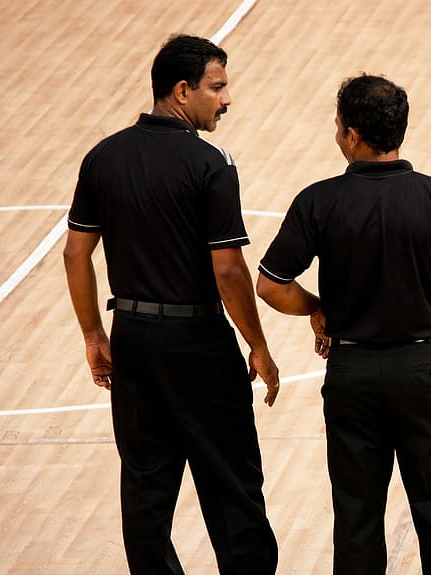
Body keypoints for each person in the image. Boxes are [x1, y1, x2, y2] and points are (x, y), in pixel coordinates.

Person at [255, 74, 431, 575]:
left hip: (351, 375)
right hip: (422, 373)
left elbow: (270, 285)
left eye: (337, 126)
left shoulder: (318, 201)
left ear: (352, 135)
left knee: (357, 527)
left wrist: (316, 306)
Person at [63, 34, 280, 575]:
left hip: (133, 339)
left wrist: (94, 335)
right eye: (218, 87)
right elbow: (228, 268)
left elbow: (75, 253)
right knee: (232, 484)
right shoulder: (211, 162)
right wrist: (257, 343)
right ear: (182, 92)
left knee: (145, 491)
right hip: (199, 345)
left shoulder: (103, 156)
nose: (226, 99)